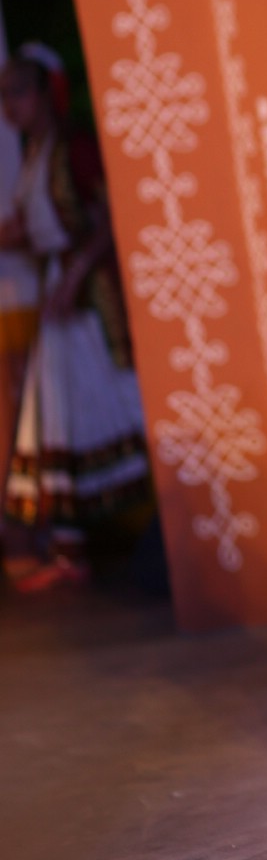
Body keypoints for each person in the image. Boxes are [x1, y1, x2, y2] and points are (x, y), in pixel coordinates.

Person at [0, 43, 151, 591]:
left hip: (88, 299)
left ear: (47, 93)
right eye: (5, 93)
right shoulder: (36, 154)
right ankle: (69, 550)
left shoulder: (74, 147)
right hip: (59, 300)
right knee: (57, 418)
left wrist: (71, 277)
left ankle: (175, 523)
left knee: (119, 405)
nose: (9, 104)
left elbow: (109, 218)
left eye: (19, 89)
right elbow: (25, 230)